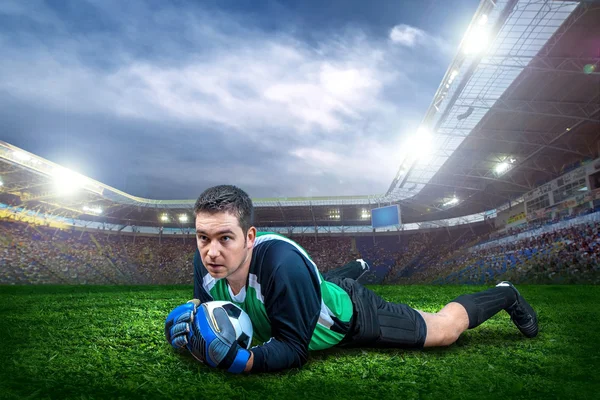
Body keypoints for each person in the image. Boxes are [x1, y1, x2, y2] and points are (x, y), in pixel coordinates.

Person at [165, 185, 538, 374]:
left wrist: (240, 361)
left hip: (351, 317)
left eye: (224, 238)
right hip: (307, 295)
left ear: (249, 237)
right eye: (203, 237)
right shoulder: (206, 263)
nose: (211, 251)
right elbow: (205, 311)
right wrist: (186, 330)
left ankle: (505, 294)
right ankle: (355, 266)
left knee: (443, 329)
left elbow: (295, 349)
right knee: (312, 288)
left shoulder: (281, 264)